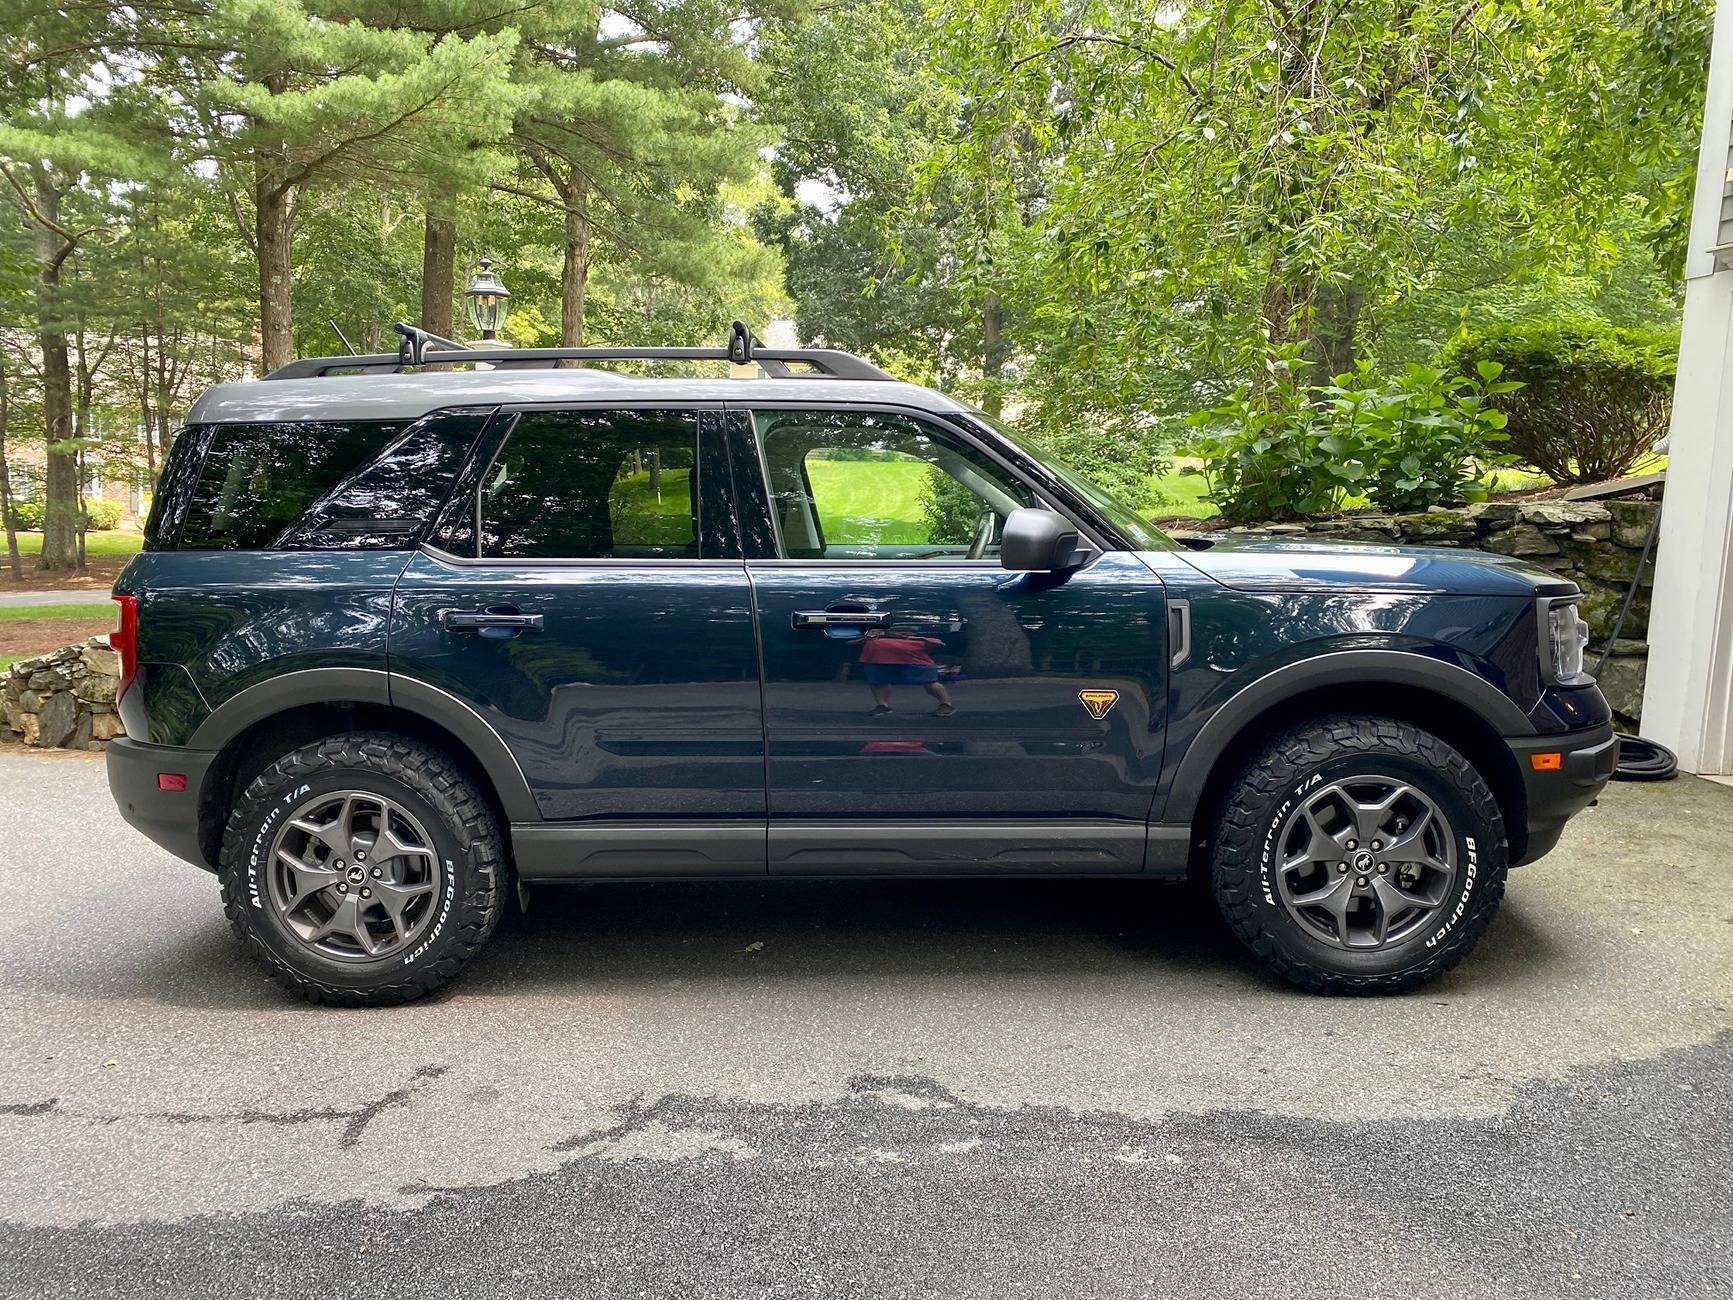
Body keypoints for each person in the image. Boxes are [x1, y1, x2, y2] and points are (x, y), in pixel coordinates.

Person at [858, 626, 956, 716]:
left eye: (906, 631)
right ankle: (882, 706)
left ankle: (946, 705)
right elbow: (854, 642)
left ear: (913, 633)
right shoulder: (876, 638)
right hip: (879, 662)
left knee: (931, 683)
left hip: (917, 663)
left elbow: (939, 643)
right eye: (898, 631)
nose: (902, 633)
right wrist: (872, 636)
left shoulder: (920, 640)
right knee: (878, 682)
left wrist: (919, 639)